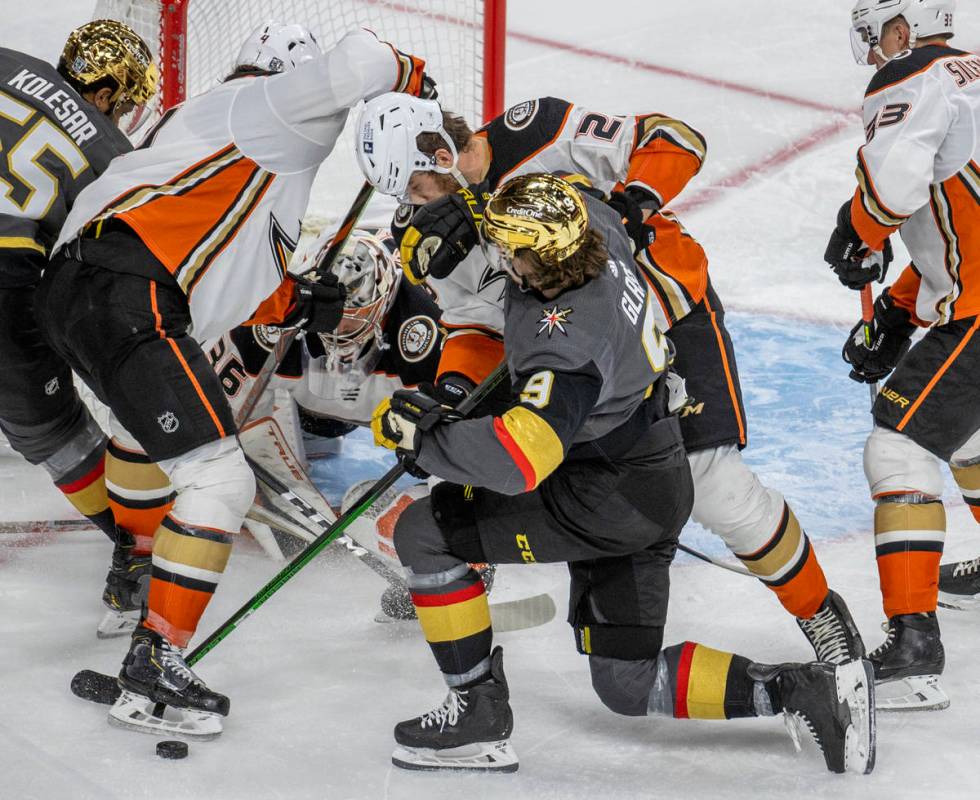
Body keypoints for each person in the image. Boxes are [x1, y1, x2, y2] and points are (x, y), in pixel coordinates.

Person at [371, 173, 875, 775]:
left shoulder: (562, 338)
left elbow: (520, 459)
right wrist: (474, 205)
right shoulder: (594, 226)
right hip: (652, 478)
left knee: (424, 530)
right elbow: (580, 189)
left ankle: (476, 713)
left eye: (509, 247)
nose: (500, 254)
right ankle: (800, 689)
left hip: (600, 500)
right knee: (626, 684)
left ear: (536, 255)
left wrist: (425, 438)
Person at [354, 92, 865, 664]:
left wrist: (630, 204)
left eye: (415, 184)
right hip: (564, 352)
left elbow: (676, 137)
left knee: (716, 488)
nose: (410, 201)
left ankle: (823, 616)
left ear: (440, 152)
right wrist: (453, 394)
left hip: (664, 321)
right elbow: (474, 326)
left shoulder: (537, 134)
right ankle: (468, 555)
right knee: (486, 452)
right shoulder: (429, 231)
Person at [35, 21, 429, 738]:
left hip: (77, 292)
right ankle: (156, 659)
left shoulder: (206, 133)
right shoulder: (269, 107)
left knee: (141, 430)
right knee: (221, 481)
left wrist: (295, 299)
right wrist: (408, 73)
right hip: (131, 295)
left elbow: (229, 255)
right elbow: (362, 59)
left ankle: (137, 568)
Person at [823, 0, 977, 710]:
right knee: (965, 431)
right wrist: (896, 307)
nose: (872, 48)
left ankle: (913, 649)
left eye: (877, 30)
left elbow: (892, 188)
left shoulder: (914, 75)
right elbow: (962, 234)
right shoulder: (969, 76)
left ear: (905, 25)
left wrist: (857, 230)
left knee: (900, 447)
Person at [0, 20, 158, 635]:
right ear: (108, 91)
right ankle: (136, 553)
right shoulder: (109, 153)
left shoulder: (7, 58)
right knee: (55, 429)